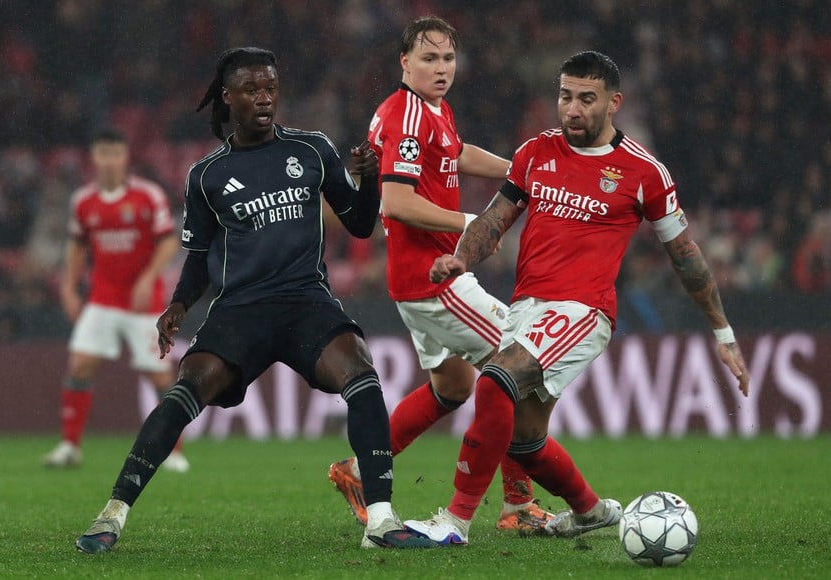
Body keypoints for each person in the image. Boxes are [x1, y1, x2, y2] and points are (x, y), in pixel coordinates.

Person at [74, 47, 438, 554]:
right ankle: (112, 514)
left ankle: (380, 519)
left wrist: (370, 178)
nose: (264, 99)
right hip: (241, 309)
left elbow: (357, 222)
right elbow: (198, 257)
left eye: (270, 88)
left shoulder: (311, 150)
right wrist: (179, 306)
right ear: (228, 97)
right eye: (251, 90)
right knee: (188, 389)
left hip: (306, 300)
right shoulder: (206, 175)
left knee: (360, 372)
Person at [404, 51, 751, 545]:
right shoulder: (534, 153)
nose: (572, 109)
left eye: (587, 99)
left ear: (614, 103)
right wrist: (462, 259)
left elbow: (686, 256)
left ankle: (454, 523)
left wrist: (723, 332)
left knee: (494, 382)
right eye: (565, 96)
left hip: (583, 311)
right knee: (524, 441)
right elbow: (495, 218)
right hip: (527, 306)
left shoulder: (644, 172)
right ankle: (590, 512)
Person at [329, 16, 590, 536]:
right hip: (435, 282)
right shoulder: (405, 116)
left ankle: (357, 470)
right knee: (515, 368)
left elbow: (456, 153)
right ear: (404, 62)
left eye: (448, 58)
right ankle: (518, 505)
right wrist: (471, 222)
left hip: (417, 282)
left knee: (452, 386)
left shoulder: (432, 110)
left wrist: (519, 170)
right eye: (429, 59)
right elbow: (398, 202)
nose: (442, 68)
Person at [42, 128, 190, 473]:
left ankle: (177, 450)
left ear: (125, 157)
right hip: (103, 299)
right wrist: (68, 286)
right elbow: (77, 245)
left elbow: (168, 242)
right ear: (94, 158)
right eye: (103, 153)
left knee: (158, 376)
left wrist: (148, 277)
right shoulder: (84, 201)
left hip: (145, 305)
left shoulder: (147, 196)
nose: (109, 160)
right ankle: (69, 447)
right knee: (80, 365)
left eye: (115, 153)